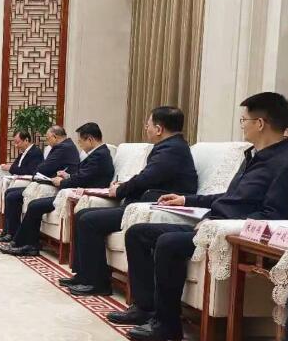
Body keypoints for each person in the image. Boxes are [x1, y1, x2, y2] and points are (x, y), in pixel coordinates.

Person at [113, 93, 288, 341]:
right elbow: (230, 197)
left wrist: (220, 226)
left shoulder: (284, 163)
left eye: (244, 120)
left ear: (260, 123)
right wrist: (187, 200)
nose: (242, 125)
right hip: (212, 224)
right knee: (138, 233)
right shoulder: (253, 156)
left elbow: (273, 215)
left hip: (229, 234)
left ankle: (167, 324)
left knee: (168, 243)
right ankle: (145, 308)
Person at [64, 106, 198, 297]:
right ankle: (85, 275)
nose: (146, 128)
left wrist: (120, 190)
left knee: (88, 220)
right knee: (83, 215)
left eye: (148, 125)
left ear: (159, 129)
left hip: (154, 206)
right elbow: (147, 177)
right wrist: (122, 187)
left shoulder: (172, 149)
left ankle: (97, 283)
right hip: (144, 202)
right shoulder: (170, 147)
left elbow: (146, 178)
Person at [1, 123, 115, 256]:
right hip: (74, 190)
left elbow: (82, 179)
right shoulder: (98, 153)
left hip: (80, 195)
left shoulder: (99, 155)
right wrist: (67, 176)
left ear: (90, 139)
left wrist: (62, 181)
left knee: (35, 206)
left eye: (80, 141)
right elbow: (83, 175)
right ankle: (24, 243)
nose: (79, 145)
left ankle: (27, 245)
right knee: (34, 205)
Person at [0, 125, 80, 242]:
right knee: (10, 193)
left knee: (13, 196)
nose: (47, 141)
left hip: (55, 187)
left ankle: (13, 234)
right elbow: (42, 167)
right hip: (50, 183)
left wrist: (40, 170)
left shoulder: (63, 148)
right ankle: (8, 231)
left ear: (55, 137)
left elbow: (43, 168)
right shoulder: (64, 146)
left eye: (48, 138)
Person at [0, 130, 43, 227]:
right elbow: (16, 166)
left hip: (21, 182)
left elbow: (30, 170)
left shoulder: (35, 152)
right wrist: (7, 167)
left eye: (17, 142)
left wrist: (10, 168)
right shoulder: (23, 152)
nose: (16, 145)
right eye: (15, 142)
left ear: (26, 140)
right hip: (12, 178)